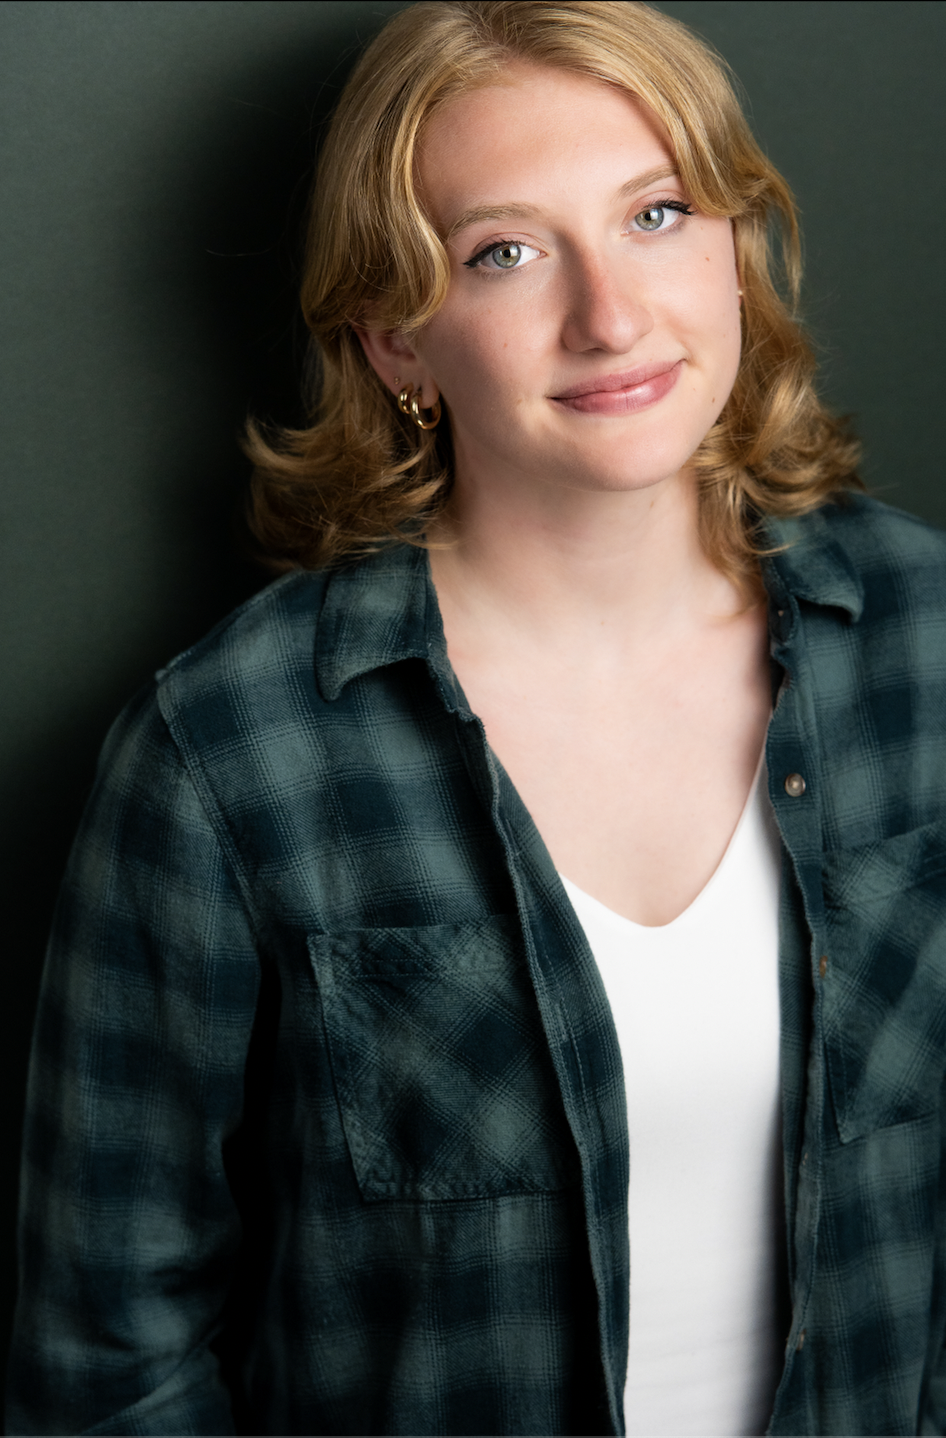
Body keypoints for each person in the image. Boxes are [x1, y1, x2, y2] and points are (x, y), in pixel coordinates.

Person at [8, 1, 946, 1433]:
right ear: (394, 339)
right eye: (503, 253)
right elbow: (105, 1355)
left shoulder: (925, 640)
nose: (610, 316)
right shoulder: (227, 759)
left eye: (655, 213)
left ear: (734, 247)